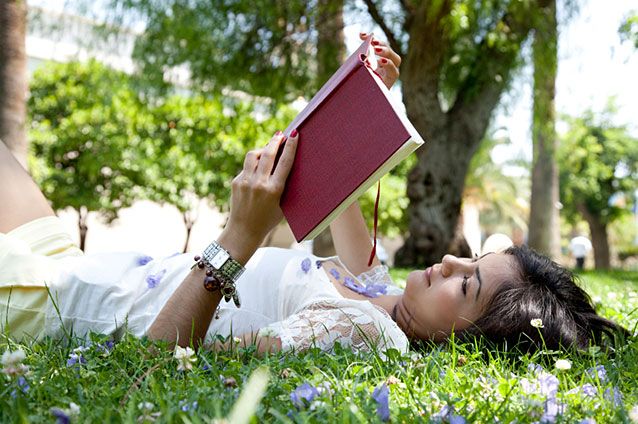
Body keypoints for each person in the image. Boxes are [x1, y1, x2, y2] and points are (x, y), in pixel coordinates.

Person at [0, 35, 627, 356]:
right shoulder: (372, 290)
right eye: (473, 262)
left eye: (467, 286)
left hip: (52, 302)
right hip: (73, 264)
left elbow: (167, 357)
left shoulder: (359, 332)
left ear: (465, 343)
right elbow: (336, 183)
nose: (453, 264)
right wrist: (364, 92)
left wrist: (237, 238)